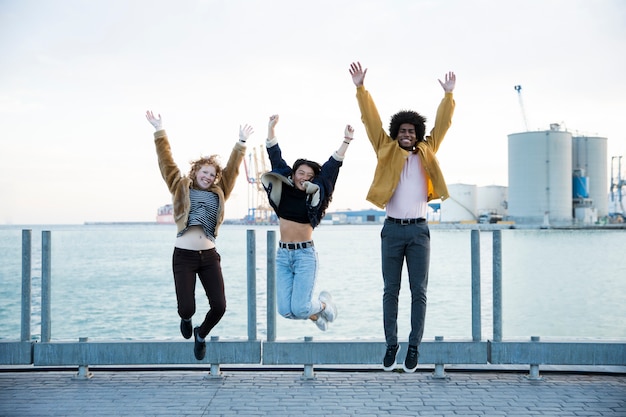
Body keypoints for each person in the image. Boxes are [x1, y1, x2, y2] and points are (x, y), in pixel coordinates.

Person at [348, 62, 456, 372]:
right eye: (402, 131)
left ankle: (414, 347)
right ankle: (391, 344)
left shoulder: (427, 150)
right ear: (396, 134)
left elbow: (442, 126)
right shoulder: (385, 148)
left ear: (417, 134)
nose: (406, 134)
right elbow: (371, 122)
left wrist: (448, 96)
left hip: (419, 232)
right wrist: (361, 88)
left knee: (419, 291)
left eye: (411, 131)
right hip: (392, 231)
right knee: (390, 291)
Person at [145, 110, 253, 360]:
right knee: (187, 307)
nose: (208, 177)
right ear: (195, 172)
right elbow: (166, 162)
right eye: (204, 172)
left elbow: (234, 170)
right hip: (183, 255)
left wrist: (241, 143)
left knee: (220, 306)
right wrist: (159, 130)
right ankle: (186, 318)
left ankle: (201, 334)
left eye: (212, 174)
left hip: (209, 255)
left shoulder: (220, 191)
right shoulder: (179, 186)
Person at [261, 114, 353, 331]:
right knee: (285, 310)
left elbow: (333, 166)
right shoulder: (283, 189)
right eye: (300, 173)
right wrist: (271, 128)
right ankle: (316, 317)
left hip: (304, 256)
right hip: (283, 255)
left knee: (300, 308)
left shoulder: (315, 197)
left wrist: (346, 141)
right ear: (293, 175)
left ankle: (324, 305)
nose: (304, 177)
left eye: (309, 176)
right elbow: (274, 154)